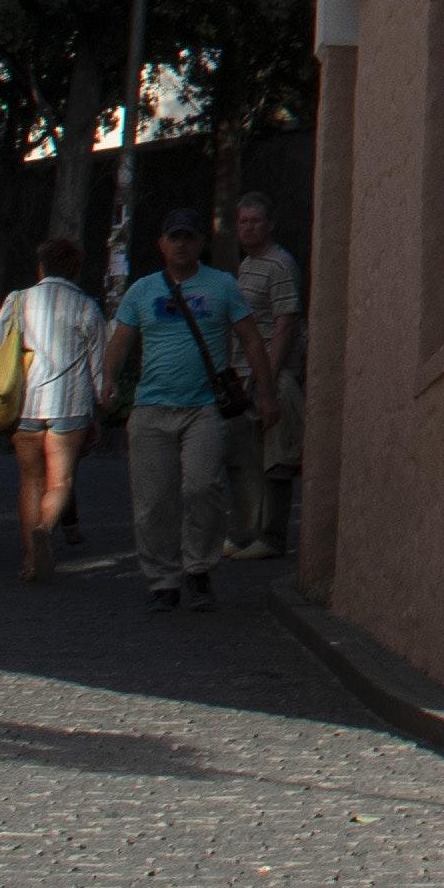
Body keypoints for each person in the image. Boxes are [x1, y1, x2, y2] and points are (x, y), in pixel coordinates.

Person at [113, 210, 244, 612]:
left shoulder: (222, 285)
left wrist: (267, 393)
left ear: (200, 242)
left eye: (189, 237)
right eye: (175, 237)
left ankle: (199, 567)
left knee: (201, 487)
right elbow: (120, 340)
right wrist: (106, 384)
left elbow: (250, 338)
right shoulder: (141, 290)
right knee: (153, 500)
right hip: (152, 407)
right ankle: (163, 581)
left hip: (204, 407)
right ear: (162, 244)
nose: (181, 244)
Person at [7, 226, 108, 582]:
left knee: (29, 481)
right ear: (76, 269)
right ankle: (46, 529)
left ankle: (31, 561)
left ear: (41, 266)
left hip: (28, 404)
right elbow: (99, 366)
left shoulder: (17, 301)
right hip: (71, 404)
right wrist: (105, 401)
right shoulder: (87, 307)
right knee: (60, 481)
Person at [224, 192, 306, 562]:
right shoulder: (247, 265)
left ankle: (271, 537)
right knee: (246, 460)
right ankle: (245, 533)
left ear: (270, 224)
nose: (249, 227)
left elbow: (285, 323)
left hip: (271, 375)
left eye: (256, 221)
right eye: (243, 221)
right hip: (243, 374)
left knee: (276, 459)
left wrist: (267, 379)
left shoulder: (280, 264)